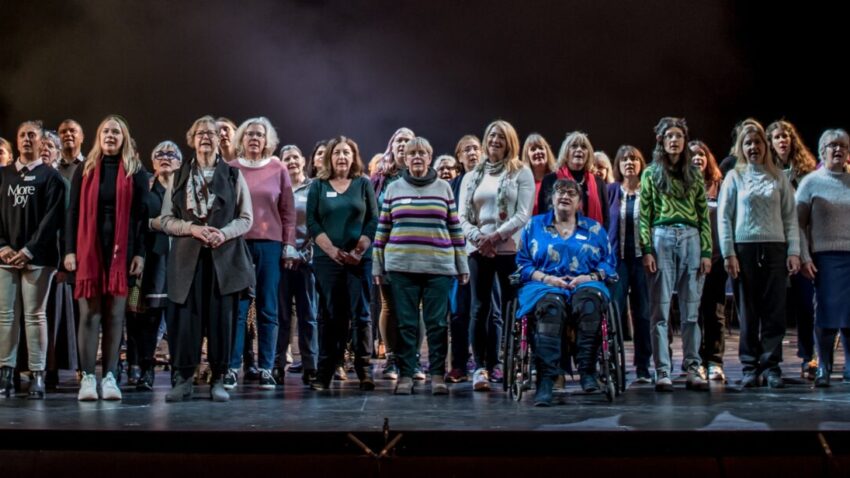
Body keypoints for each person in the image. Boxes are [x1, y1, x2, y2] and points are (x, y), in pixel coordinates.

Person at [158, 116, 254, 402]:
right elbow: (165, 219)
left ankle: (219, 379)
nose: (205, 137)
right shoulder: (179, 175)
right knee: (186, 321)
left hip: (223, 260)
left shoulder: (234, 176)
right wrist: (192, 229)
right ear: (192, 138)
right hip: (187, 261)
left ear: (219, 139)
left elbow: (246, 218)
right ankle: (184, 379)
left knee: (221, 321)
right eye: (200, 133)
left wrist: (223, 234)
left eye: (211, 133)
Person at [65, 115, 153, 401]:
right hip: (88, 251)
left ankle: (111, 376)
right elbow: (73, 213)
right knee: (89, 315)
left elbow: (141, 218)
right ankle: (88, 378)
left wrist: (139, 252)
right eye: (106, 131)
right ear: (98, 136)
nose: (111, 136)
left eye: (116, 131)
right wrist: (68, 250)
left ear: (124, 137)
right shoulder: (85, 169)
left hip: (122, 253)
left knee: (116, 315)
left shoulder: (136, 171)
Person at [373, 137, 469, 395]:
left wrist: (462, 265)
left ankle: (436, 374)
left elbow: (455, 228)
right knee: (405, 323)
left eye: (422, 153)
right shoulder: (393, 189)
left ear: (429, 157)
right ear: (404, 158)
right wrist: (377, 267)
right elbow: (382, 229)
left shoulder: (443, 188)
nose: (416, 157)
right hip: (401, 267)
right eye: (412, 153)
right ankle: (406, 374)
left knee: (437, 323)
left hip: (438, 266)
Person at [516, 178, 617, 406]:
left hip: (585, 283)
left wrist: (588, 277)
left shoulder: (593, 228)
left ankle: (588, 370)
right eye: (560, 192)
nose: (565, 196)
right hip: (545, 284)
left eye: (571, 193)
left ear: (579, 202)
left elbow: (609, 263)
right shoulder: (534, 226)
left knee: (589, 302)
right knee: (550, 307)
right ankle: (546, 379)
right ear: (551, 199)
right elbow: (523, 262)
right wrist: (547, 278)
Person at [718, 119, 800, 389]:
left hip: (775, 248)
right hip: (744, 250)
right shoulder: (734, 176)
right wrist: (729, 252)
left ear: (766, 146)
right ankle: (750, 366)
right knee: (749, 311)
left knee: (775, 312)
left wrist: (794, 251)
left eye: (758, 143)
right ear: (742, 148)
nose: (753, 147)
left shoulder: (779, 177)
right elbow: (724, 218)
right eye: (748, 143)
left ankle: (772, 366)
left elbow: (790, 218)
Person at [458, 120, 534, 391]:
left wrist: (496, 237)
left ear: (510, 141)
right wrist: (480, 239)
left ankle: (507, 361)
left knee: (512, 309)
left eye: (501, 137)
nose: (495, 140)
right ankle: (480, 367)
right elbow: (462, 217)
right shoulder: (471, 175)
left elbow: (523, 214)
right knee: (480, 309)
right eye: (491, 135)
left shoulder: (520, 172)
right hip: (479, 250)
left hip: (509, 250)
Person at [640, 117, 712, 392]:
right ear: (661, 140)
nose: (674, 140)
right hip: (662, 238)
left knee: (691, 310)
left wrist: (706, 250)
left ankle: (693, 368)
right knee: (660, 310)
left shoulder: (693, 173)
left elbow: (703, 215)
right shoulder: (650, 173)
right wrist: (646, 249)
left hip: (692, 239)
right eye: (669, 136)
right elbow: (644, 215)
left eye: (679, 136)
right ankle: (663, 371)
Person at [224, 117, 296, 391]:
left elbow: (288, 212)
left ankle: (267, 367)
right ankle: (232, 367)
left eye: (260, 135)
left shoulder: (278, 168)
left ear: (268, 141)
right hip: (238, 245)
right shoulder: (231, 168)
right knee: (238, 309)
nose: (254, 138)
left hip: (270, 245)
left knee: (268, 308)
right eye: (250, 134)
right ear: (241, 139)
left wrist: (289, 245)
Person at [0, 121, 66, 399]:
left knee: (35, 316)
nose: (27, 139)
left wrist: (29, 249)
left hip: (38, 259)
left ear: (42, 142)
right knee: (5, 317)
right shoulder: (2, 175)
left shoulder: (52, 177)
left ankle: (37, 374)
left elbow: (52, 220)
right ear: (16, 141)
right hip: (5, 258)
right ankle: (6, 373)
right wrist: (2, 246)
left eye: (32, 135)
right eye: (22, 135)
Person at [306, 136, 377, 391]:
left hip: (359, 261)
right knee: (331, 316)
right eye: (337, 153)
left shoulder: (363, 184)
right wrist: (332, 250)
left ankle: (364, 369)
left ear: (354, 157)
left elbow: (373, 219)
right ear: (330, 157)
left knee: (361, 315)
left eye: (347, 152)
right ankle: (325, 371)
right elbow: (312, 222)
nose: (342, 157)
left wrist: (359, 250)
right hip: (328, 261)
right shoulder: (318, 186)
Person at [766, 120, 819, 380]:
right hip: (773, 242)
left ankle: (808, 356)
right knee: (774, 305)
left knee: (806, 303)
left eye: (786, 136)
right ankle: (769, 359)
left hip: (803, 242)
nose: (782, 141)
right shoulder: (765, 171)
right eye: (777, 137)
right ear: (770, 142)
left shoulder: (806, 172)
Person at [797, 129, 850, 387]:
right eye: (832, 145)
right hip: (825, 258)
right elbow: (798, 225)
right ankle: (824, 368)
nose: (838, 150)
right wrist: (805, 256)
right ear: (822, 151)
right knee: (827, 314)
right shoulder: (811, 182)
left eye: (843, 146)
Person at [127, 141, 181, 392]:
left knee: (179, 320)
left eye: (171, 154)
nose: (165, 157)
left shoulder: (185, 189)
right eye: (159, 154)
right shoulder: (146, 189)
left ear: (180, 161)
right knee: (149, 318)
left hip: (181, 260)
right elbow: (137, 221)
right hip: (153, 259)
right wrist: (153, 224)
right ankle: (146, 370)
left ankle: (181, 373)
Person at [370, 128, 419, 381]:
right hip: (387, 249)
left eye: (408, 141)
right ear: (392, 145)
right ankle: (391, 358)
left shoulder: (420, 176)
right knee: (389, 304)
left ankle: (413, 359)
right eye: (399, 139)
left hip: (416, 249)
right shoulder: (379, 178)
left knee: (413, 306)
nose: (403, 144)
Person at [606, 145, 651, 383]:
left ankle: (643, 366)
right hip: (618, 261)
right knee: (616, 311)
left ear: (641, 163)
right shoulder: (611, 191)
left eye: (634, 158)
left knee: (643, 313)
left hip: (642, 260)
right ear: (618, 165)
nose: (629, 163)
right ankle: (614, 363)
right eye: (624, 159)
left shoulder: (648, 191)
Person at [276, 144, 319, 386]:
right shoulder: (277, 188)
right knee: (281, 316)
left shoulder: (314, 188)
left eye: (295, 157)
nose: (291, 161)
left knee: (308, 315)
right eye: (286, 158)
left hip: (307, 260)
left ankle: (311, 365)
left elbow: (317, 222)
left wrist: (303, 254)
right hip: (282, 260)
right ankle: (278, 364)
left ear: (303, 161)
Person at [688, 140, 728, 382]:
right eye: (692, 155)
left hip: (715, 257)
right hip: (689, 259)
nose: (697, 158)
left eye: (701, 154)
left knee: (714, 311)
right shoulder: (681, 186)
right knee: (692, 312)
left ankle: (714, 360)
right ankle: (694, 360)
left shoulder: (719, 185)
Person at [447, 134, 483, 383]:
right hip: (459, 255)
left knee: (487, 312)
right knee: (459, 312)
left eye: (476, 149)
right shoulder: (453, 185)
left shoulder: (490, 181)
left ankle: (489, 363)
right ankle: (459, 364)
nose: (472, 153)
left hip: (485, 254)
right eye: (467, 150)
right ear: (459, 157)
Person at [537, 131, 608, 227]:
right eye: (574, 146)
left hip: (592, 239)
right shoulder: (550, 180)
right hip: (557, 238)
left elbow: (606, 218)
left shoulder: (599, 182)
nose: (579, 149)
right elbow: (544, 214)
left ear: (589, 153)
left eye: (583, 147)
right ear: (566, 152)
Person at [521, 133, 557, 215]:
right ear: (527, 155)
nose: (538, 152)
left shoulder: (557, 178)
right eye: (533, 149)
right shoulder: (522, 182)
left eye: (541, 148)